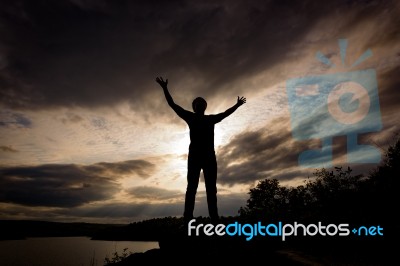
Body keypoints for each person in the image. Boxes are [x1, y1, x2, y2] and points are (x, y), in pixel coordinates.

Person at [156, 76, 246, 224]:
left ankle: (215, 220)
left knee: (211, 189)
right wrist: (165, 88)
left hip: (209, 157)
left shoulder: (211, 119)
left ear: (205, 106)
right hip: (195, 157)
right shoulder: (190, 117)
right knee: (191, 188)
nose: (199, 105)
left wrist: (237, 105)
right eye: (197, 103)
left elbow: (225, 113)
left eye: (202, 103)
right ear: (194, 107)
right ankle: (187, 219)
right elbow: (172, 104)